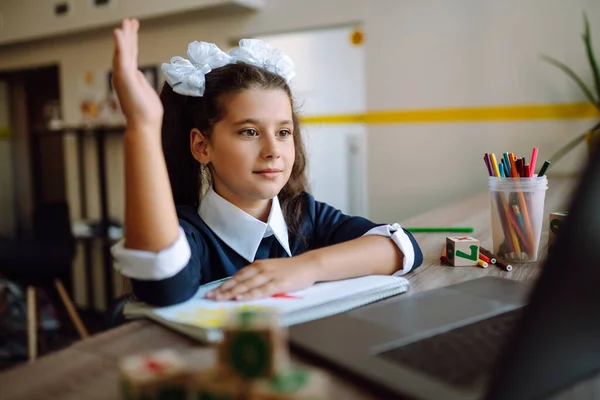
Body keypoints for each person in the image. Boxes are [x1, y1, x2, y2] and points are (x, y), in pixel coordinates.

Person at [110, 19, 423, 307]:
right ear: (202, 146)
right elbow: (162, 283)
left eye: (284, 132)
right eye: (249, 132)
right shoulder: (190, 234)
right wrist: (143, 126)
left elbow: (402, 247)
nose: (273, 150)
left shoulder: (304, 214)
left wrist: (303, 267)